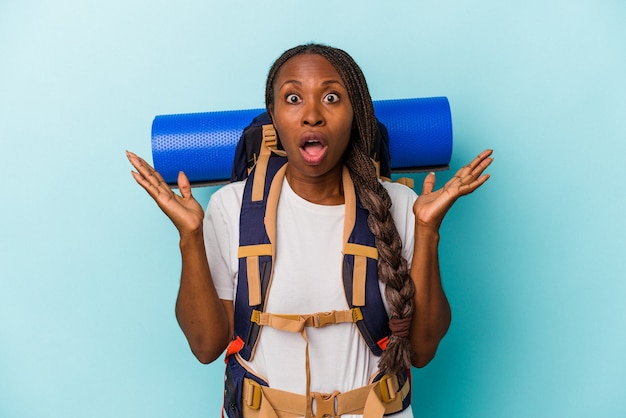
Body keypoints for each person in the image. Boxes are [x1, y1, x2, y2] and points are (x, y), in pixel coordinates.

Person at [127, 43, 493, 418]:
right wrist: (189, 236)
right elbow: (205, 346)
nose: (312, 115)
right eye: (293, 98)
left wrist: (428, 229)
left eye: (332, 97)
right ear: (274, 116)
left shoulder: (401, 205)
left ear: (355, 114)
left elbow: (423, 349)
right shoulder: (231, 208)